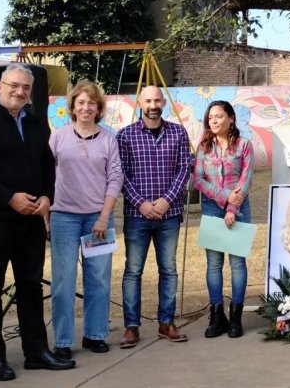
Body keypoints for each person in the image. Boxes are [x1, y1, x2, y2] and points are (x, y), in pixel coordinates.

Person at [0, 63, 75, 380]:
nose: (20, 92)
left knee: (30, 286)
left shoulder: (37, 125)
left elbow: (48, 167)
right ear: (0, 87)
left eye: (26, 88)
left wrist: (47, 198)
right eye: (14, 85)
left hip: (31, 221)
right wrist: (10, 197)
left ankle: (36, 351)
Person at [48, 80, 123, 359]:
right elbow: (46, 175)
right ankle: (64, 340)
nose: (86, 108)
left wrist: (104, 217)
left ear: (99, 107)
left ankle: (95, 334)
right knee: (64, 280)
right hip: (63, 217)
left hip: (98, 217)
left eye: (91, 103)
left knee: (99, 278)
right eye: (81, 102)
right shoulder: (58, 137)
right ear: (72, 107)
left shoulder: (108, 139)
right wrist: (46, 215)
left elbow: (115, 178)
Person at [117, 86, 193, 348]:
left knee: (169, 270)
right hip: (137, 215)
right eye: (148, 100)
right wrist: (141, 204)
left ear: (163, 103)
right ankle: (131, 327)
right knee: (133, 271)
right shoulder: (125, 136)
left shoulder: (178, 132)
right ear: (140, 102)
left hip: (169, 215)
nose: (153, 104)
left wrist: (166, 200)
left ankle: (166, 323)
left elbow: (185, 168)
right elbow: (120, 174)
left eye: (157, 100)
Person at [194, 100, 255, 339]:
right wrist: (223, 196)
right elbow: (198, 180)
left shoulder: (244, 145)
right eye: (211, 118)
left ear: (231, 118)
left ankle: (236, 316)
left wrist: (232, 205)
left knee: (237, 264)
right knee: (214, 265)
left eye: (219, 116)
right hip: (211, 208)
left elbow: (247, 178)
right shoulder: (203, 148)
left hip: (238, 209)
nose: (215, 121)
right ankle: (217, 315)